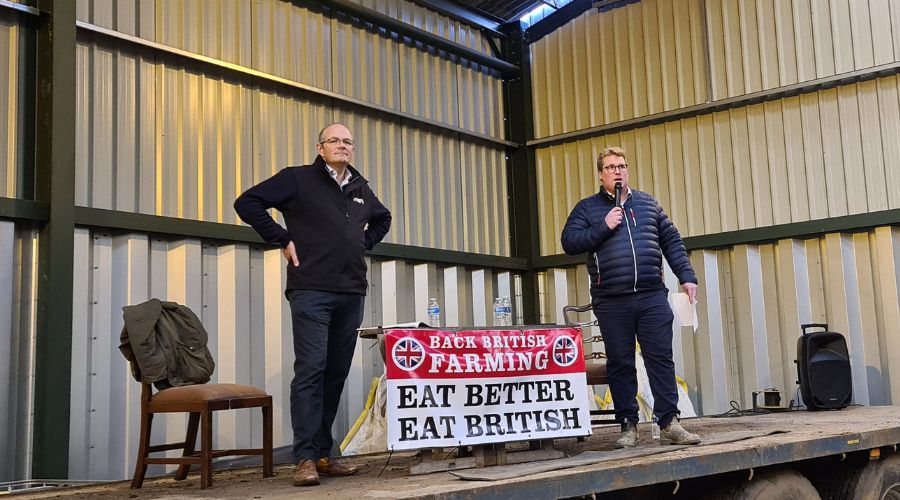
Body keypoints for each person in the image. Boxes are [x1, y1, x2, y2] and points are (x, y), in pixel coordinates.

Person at [234, 123, 391, 486]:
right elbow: (247, 202)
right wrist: (281, 238)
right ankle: (304, 457)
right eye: (335, 140)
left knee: (335, 373)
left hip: (351, 291)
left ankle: (323, 453)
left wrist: (362, 245)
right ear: (320, 147)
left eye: (348, 141)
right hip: (311, 291)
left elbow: (383, 218)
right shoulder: (298, 179)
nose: (343, 145)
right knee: (311, 370)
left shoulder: (360, 187)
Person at [560, 146, 701, 448]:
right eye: (611, 167)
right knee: (621, 362)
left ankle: (669, 423)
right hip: (612, 300)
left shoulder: (648, 204)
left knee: (660, 359)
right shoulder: (588, 209)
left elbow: (672, 240)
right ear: (601, 175)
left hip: (651, 296)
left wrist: (687, 277)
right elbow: (569, 242)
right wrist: (603, 226)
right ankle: (628, 426)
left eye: (622, 166)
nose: (618, 171)